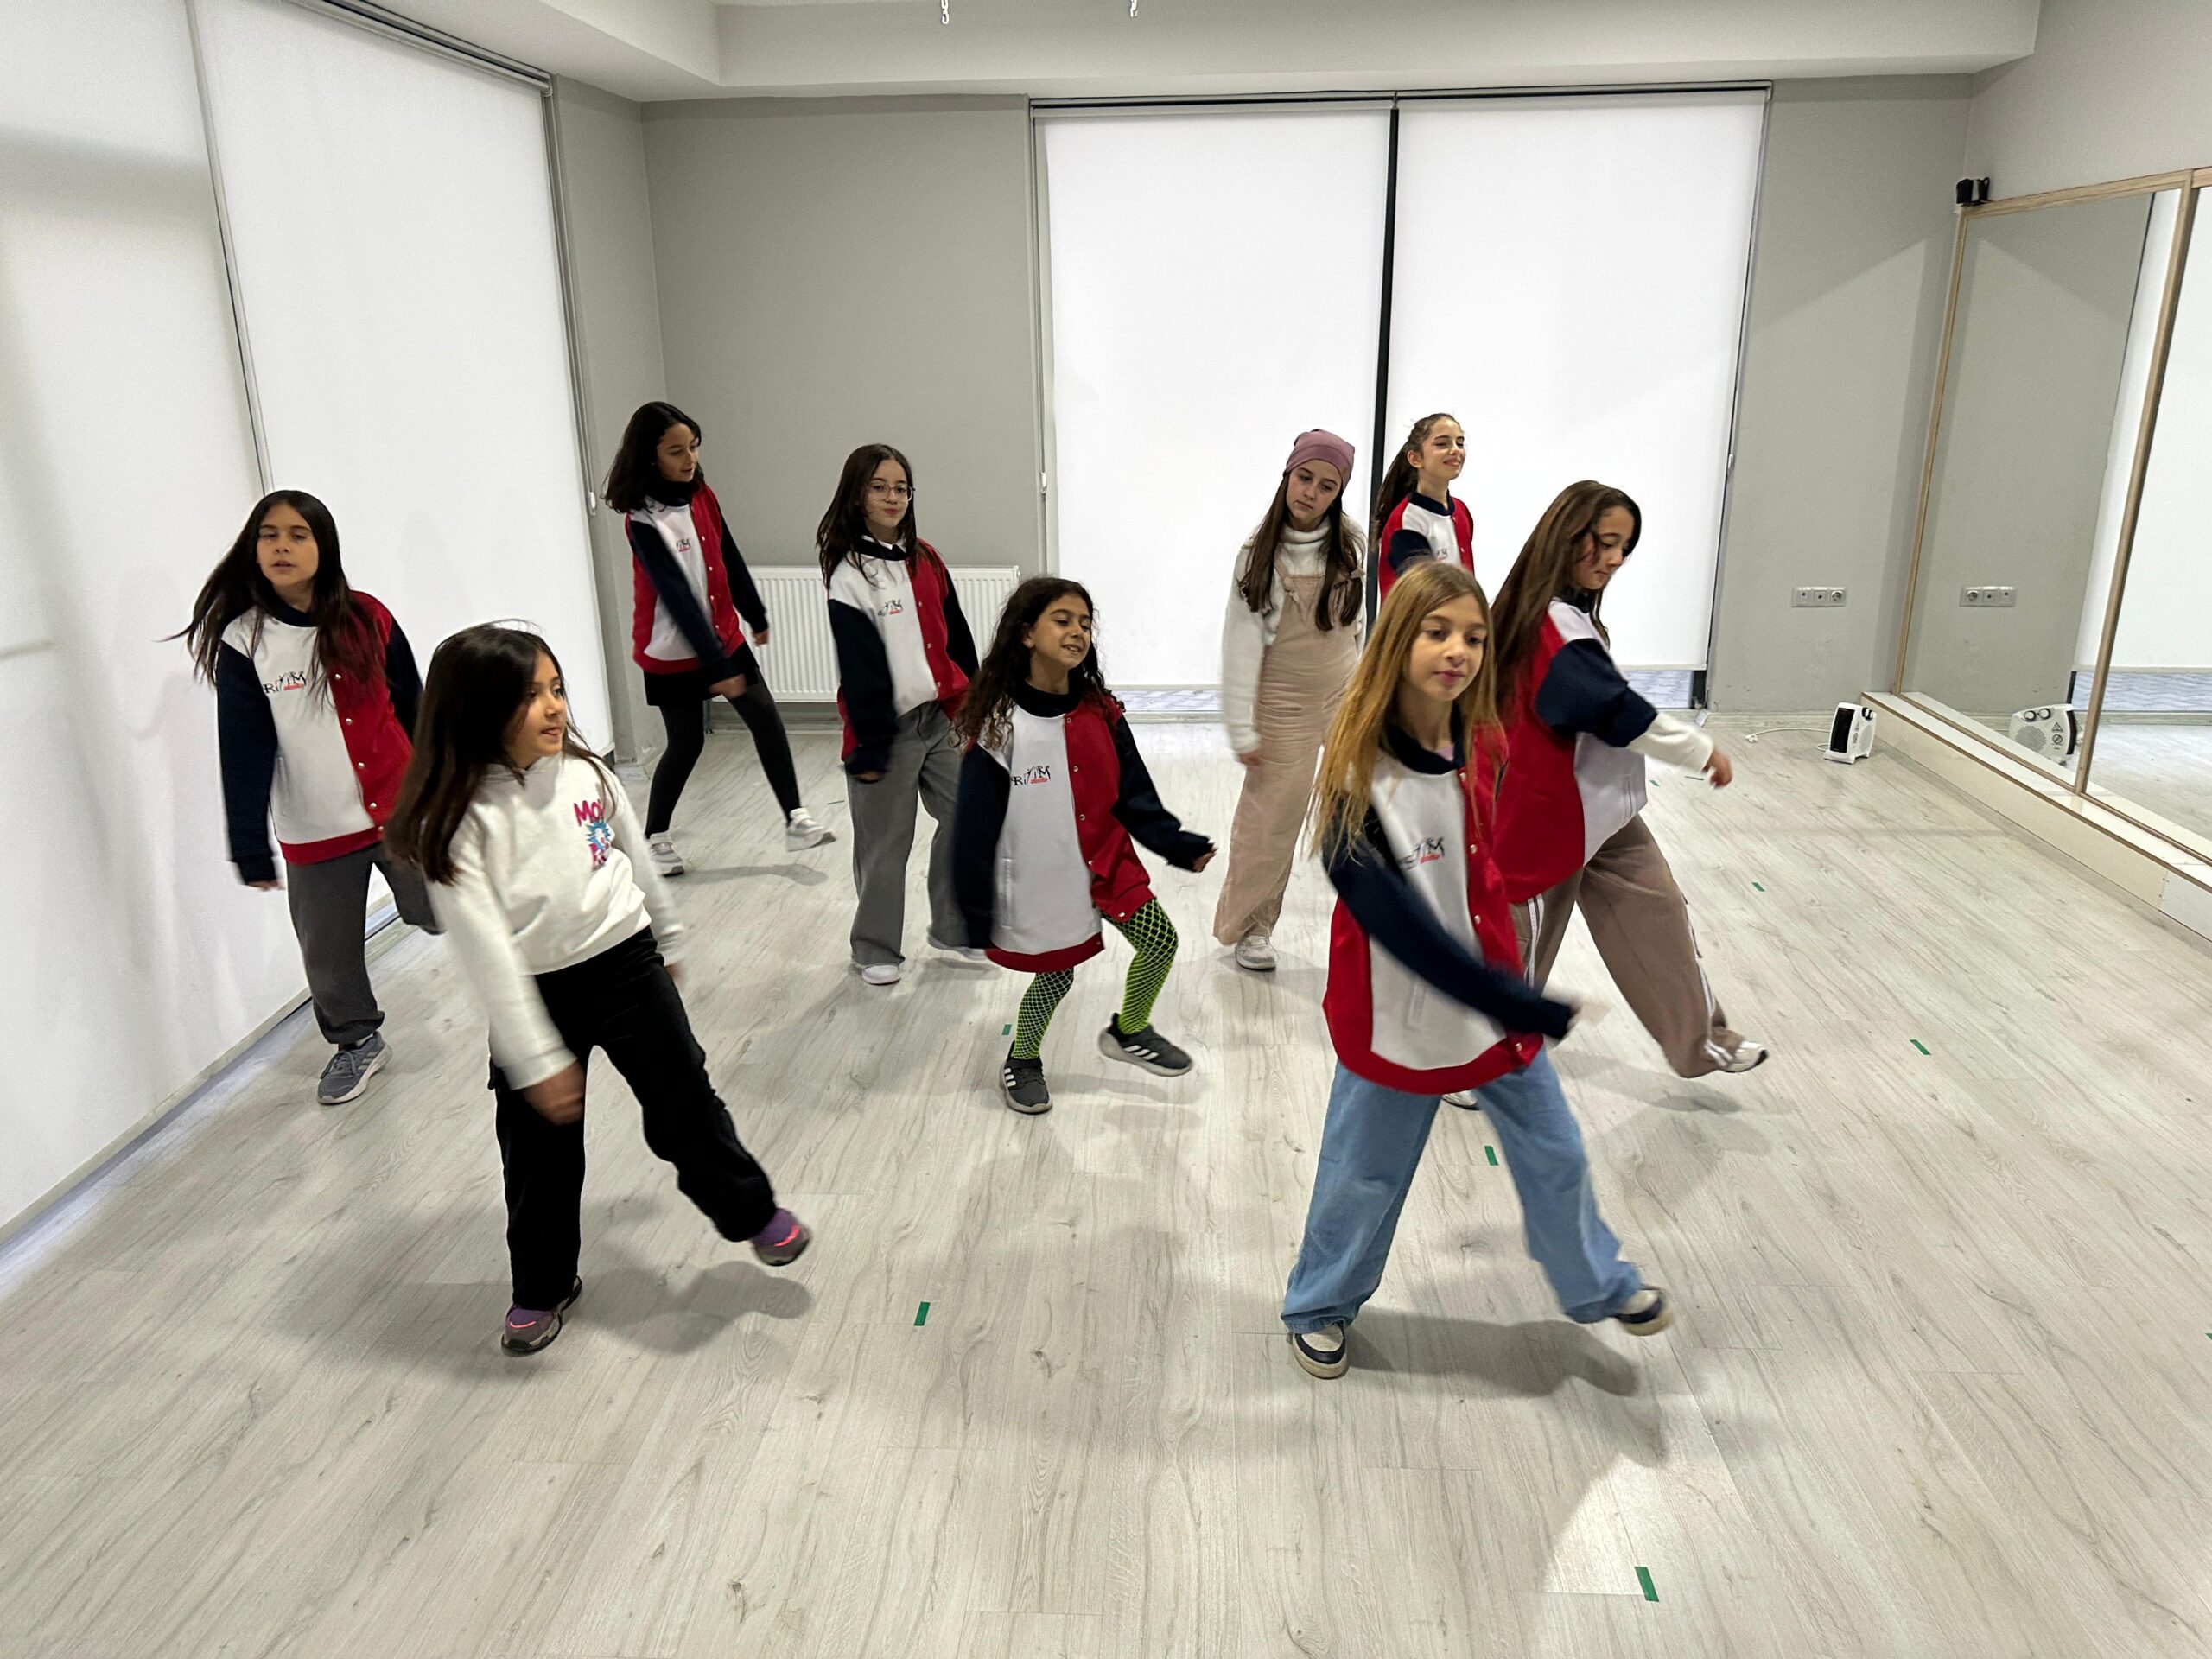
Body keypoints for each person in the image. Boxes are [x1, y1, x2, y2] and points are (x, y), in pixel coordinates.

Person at [1280, 559, 1671, 1379]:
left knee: (1556, 1152)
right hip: (1397, 1018)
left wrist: (1509, 980)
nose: (1458, 650)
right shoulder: (1355, 774)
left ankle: (1599, 1284)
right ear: (1398, 641)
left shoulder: (1480, 740)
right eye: (1437, 632)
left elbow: (1483, 865)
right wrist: (1521, 999)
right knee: (1363, 1177)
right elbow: (1400, 927)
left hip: (1493, 1010)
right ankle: (1319, 1305)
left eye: (1473, 636)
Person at [385, 625, 808, 1356]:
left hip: (626, 963)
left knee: (687, 1105)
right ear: (478, 710)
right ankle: (542, 1285)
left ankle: (751, 1213)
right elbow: (486, 956)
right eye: (530, 696)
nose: (554, 707)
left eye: (556, 689)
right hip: (532, 994)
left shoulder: (587, 775)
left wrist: (669, 939)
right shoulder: (458, 820)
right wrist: (534, 1057)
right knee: (538, 1154)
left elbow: (633, 860)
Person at [1489, 480, 1766, 1079]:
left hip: (1603, 809)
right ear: (1567, 535)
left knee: (1660, 915)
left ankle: (1704, 1042)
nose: (1614, 559)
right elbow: (1609, 707)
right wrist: (1697, 749)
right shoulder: (1549, 624)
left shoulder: (1568, 617)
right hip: (1543, 815)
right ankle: (1482, 1063)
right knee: (1521, 947)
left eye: (1624, 548)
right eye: (1605, 542)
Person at [178, 489, 436, 1107]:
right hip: (317, 828)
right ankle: (357, 1042)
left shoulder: (369, 617)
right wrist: (249, 846)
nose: (282, 547)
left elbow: (415, 707)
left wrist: (443, 790)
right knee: (329, 954)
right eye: (269, 535)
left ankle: (537, 975)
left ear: (325, 547)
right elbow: (243, 749)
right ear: (253, 548)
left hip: (400, 810)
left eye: (298, 535)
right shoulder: (245, 641)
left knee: (444, 908)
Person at [953, 579, 1216, 1115]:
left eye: (1085, 623)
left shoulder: (1103, 711)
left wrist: (1176, 843)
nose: (1078, 631)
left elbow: (1134, 794)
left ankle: (1129, 1030)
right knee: (1056, 974)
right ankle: (1022, 1058)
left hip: (1109, 863)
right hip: (1047, 875)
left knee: (1160, 941)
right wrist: (975, 908)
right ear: (1027, 634)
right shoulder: (1001, 725)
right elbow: (974, 826)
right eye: (1062, 620)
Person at [604, 401, 830, 875]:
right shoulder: (642, 519)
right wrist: (717, 666)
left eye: (693, 447)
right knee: (686, 744)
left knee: (766, 719)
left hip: (722, 638)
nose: (690, 459)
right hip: (671, 650)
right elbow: (678, 598)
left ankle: (796, 818)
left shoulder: (702, 495)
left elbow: (728, 555)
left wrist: (754, 612)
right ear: (650, 456)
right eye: (676, 451)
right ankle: (654, 838)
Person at [819, 443, 981, 985]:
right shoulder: (849, 573)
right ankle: (874, 948)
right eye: (880, 487)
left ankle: (957, 927)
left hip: (941, 718)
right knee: (886, 845)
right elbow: (861, 667)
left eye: (901, 488)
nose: (893, 497)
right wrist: (868, 746)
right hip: (885, 731)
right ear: (857, 495)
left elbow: (957, 636)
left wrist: (976, 704)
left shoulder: (925, 558)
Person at [1213, 429, 1365, 972]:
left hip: (1344, 694)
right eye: (1305, 478)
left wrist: (1366, 694)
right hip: (1283, 704)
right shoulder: (1257, 556)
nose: (1311, 493)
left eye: (1327, 486)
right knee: (1270, 825)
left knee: (1364, 812)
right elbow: (1239, 646)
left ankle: (1377, 926)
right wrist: (1242, 728)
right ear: (1288, 475)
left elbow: (1357, 625)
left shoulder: (1351, 543)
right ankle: (1253, 928)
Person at [1370, 412, 1472, 603]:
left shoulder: (1461, 511)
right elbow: (1425, 596)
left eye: (1459, 443)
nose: (1455, 450)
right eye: (1442, 444)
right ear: (1415, 458)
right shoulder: (1406, 520)